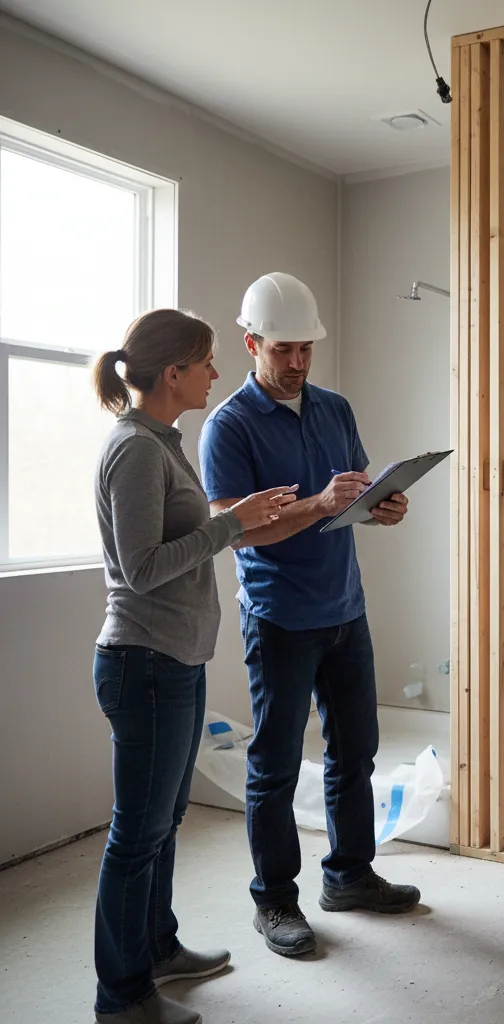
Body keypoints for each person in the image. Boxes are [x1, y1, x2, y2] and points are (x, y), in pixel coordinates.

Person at [197, 272, 418, 960]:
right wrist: (318, 505)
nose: (297, 363)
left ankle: (349, 875)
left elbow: (348, 491)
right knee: (275, 765)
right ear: (251, 343)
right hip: (280, 618)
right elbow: (233, 529)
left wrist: (382, 505)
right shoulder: (227, 427)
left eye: (306, 351)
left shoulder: (335, 408)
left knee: (355, 752)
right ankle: (275, 901)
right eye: (283, 350)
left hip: (345, 610)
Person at [91, 309, 299, 1024]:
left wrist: (235, 515)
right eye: (207, 361)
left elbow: (188, 534)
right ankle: (121, 996)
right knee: (137, 834)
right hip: (142, 663)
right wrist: (232, 523)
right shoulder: (136, 451)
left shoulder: (163, 442)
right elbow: (142, 568)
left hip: (174, 660)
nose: (216, 373)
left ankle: (158, 948)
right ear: (172, 372)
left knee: (164, 819)